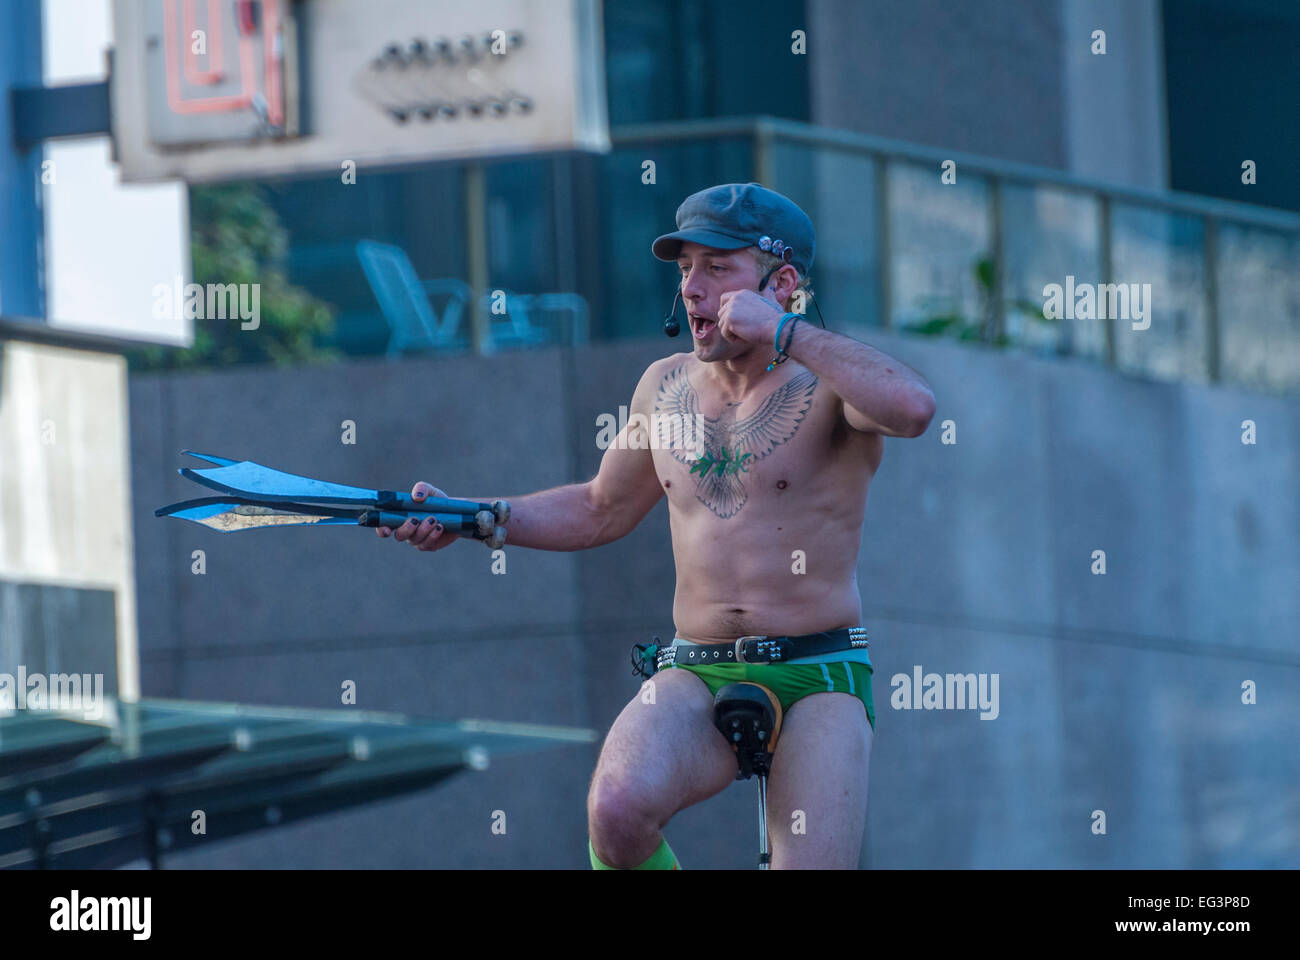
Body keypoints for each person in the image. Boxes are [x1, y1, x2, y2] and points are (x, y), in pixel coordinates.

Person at [376, 182, 935, 869]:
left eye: (717, 268)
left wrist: (784, 331)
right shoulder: (663, 385)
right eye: (684, 269)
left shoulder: (829, 384)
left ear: (781, 282)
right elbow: (599, 507)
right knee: (616, 810)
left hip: (819, 674)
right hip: (696, 666)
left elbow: (913, 408)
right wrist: (472, 517)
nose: (692, 290)